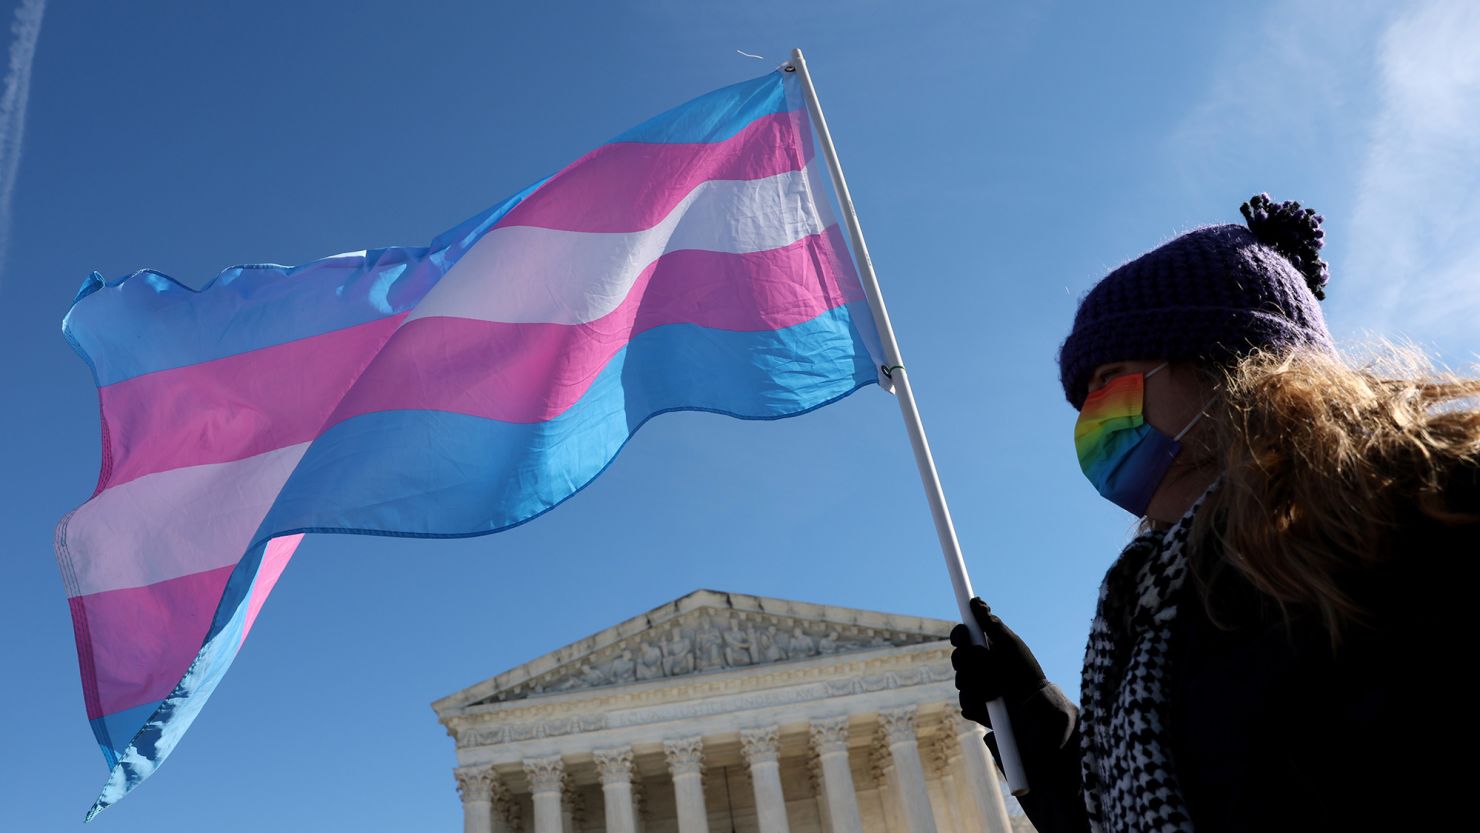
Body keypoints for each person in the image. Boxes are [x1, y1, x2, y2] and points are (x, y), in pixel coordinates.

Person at [950, 194, 1480, 833]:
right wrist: (1032, 717)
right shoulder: (1153, 605)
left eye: (1109, 377)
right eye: (1084, 397)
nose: (1092, 415)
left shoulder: (1423, 518)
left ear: (1226, 366)